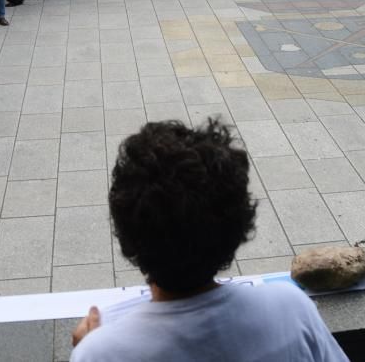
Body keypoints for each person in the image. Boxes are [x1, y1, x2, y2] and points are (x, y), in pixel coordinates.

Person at [69, 120, 349, 362]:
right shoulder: (290, 308)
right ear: (239, 225)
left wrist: (92, 350)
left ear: (126, 236)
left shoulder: (101, 352)